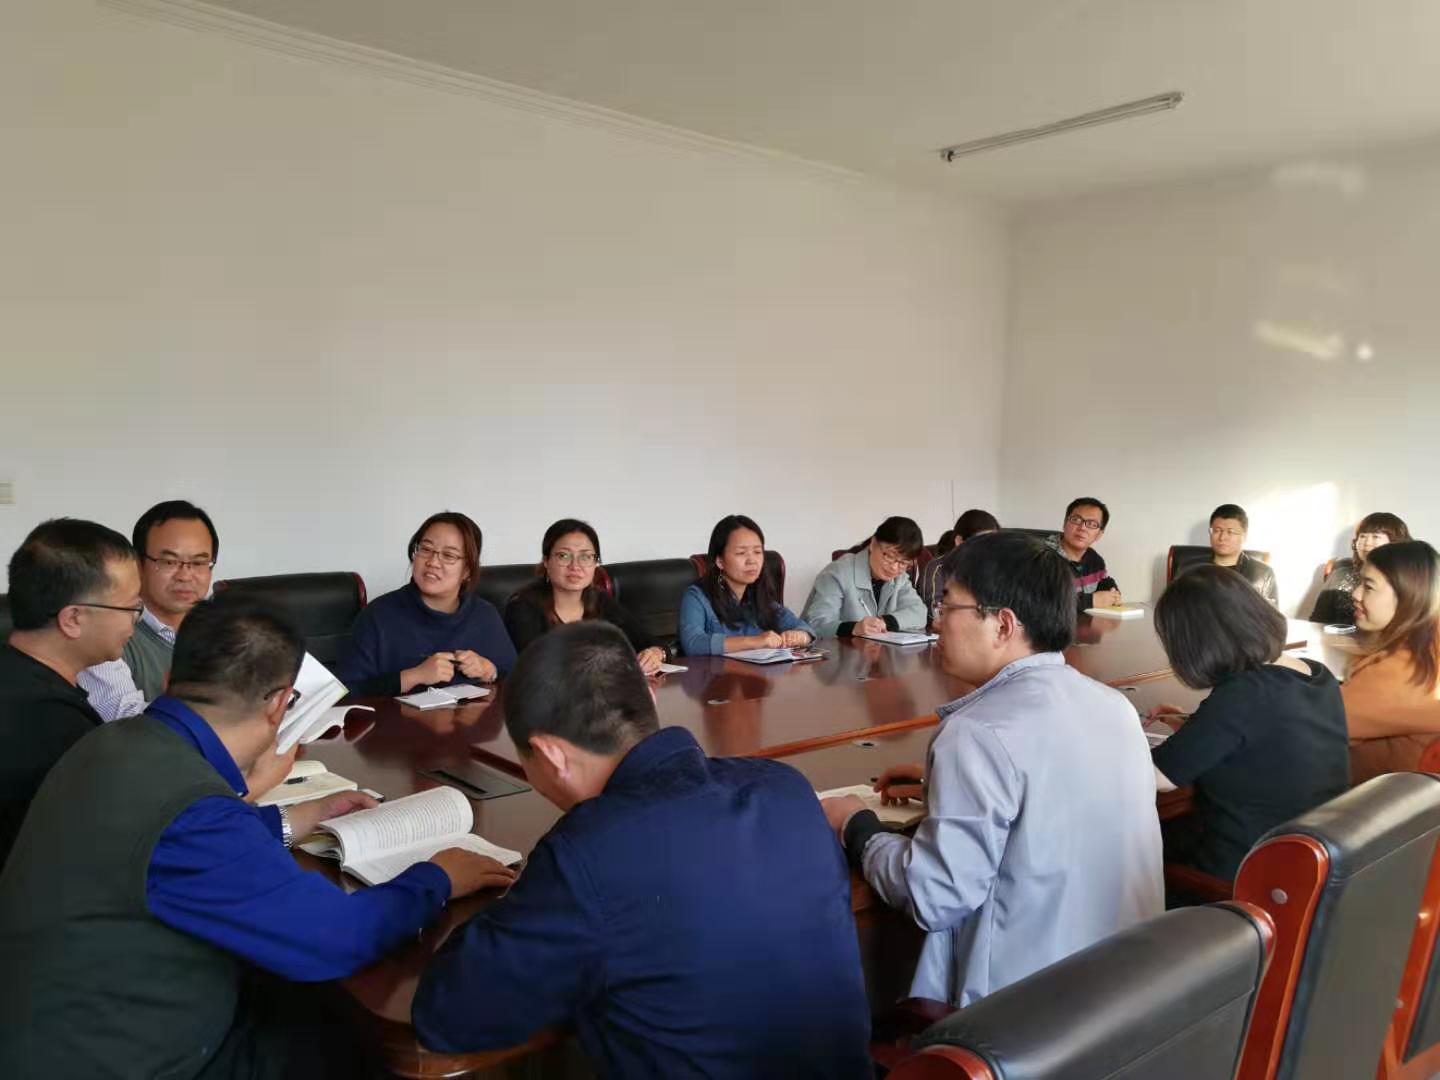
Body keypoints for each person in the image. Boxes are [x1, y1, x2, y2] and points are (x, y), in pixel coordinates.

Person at [0, 595, 516, 1079]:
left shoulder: (115, 740)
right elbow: (335, 938)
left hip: (50, 1020)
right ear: (280, 705)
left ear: (170, 679)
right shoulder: (194, 811)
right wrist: (438, 878)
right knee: (353, 1037)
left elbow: (168, 852)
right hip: (127, 1058)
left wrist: (293, 819)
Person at [411, 621, 872, 1078]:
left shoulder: (588, 856)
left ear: (550, 754)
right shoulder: (786, 788)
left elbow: (449, 1014)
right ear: (651, 698)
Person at [820, 531, 1162, 1007]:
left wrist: (856, 826)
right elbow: (1056, 792)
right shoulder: (1113, 706)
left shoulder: (976, 734)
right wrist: (940, 786)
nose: (937, 622)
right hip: (1129, 989)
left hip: (1024, 1013)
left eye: (947, 606)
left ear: (1002, 625)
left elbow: (934, 896)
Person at [1149, 565, 1347, 880]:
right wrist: (1198, 728)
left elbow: (1159, 778)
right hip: (1307, 861)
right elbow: (1264, 739)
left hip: (1242, 874)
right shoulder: (1316, 675)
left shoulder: (1244, 694)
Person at [1, 519, 140, 865]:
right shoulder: (50, 723)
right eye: (131, 608)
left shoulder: (17, 675)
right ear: (73, 618)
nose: (134, 621)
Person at [336, 511, 517, 695]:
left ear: (467, 571)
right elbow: (344, 693)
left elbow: (520, 684)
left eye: (448, 555)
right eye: (426, 549)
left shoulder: (484, 615)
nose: (433, 562)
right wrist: (413, 676)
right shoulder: (377, 616)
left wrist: (489, 670)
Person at [77, 499, 218, 721]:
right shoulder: (105, 630)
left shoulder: (224, 629)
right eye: (169, 562)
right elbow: (123, 719)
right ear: (138, 563)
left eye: (199, 563)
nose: (185, 575)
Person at [503, 519, 670, 674]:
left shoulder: (601, 601)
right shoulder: (522, 608)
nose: (575, 566)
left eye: (585, 557)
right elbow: (535, 668)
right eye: (564, 556)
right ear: (546, 561)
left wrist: (656, 653)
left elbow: (653, 643)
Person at [1342, 540, 1440, 784]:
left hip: (1358, 798)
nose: (1355, 594)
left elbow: (1318, 720)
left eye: (1368, 586)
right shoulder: (1428, 648)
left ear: (1409, 596)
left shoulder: (1405, 668)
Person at [677, 515, 814, 655]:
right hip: (715, 670)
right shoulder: (697, 596)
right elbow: (693, 644)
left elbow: (803, 627)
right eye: (741, 553)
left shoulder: (758, 593)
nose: (752, 561)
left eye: (757, 552)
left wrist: (800, 636)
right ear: (720, 561)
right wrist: (754, 642)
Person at [802, 516, 929, 639]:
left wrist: (885, 622)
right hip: (832, 651)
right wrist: (854, 628)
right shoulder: (839, 572)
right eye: (889, 556)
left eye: (903, 563)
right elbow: (817, 623)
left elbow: (920, 613)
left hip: (874, 651)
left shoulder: (900, 578)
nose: (895, 568)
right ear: (873, 544)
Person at [1309, 512, 1411, 625]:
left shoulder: (1406, 580)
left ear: (1395, 542)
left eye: (1375, 537)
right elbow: (1317, 619)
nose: (1366, 543)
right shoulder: (1339, 574)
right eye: (1362, 536)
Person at [1046, 497, 1122, 612]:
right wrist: (1090, 601)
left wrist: (1113, 594)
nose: (1082, 528)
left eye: (1092, 524)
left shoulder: (1095, 559)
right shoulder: (1040, 557)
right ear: (1064, 523)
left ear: (1099, 534)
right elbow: (1039, 602)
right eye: (1076, 520)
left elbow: (1104, 581)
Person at [918, 509, 999, 613]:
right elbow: (935, 611)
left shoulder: (994, 568)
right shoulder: (937, 569)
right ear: (960, 542)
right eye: (981, 543)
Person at [1202, 503, 1278, 605]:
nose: (1222, 537)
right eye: (1217, 531)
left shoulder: (1263, 575)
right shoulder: (1191, 569)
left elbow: (1271, 614)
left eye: (1230, 532)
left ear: (1244, 536)